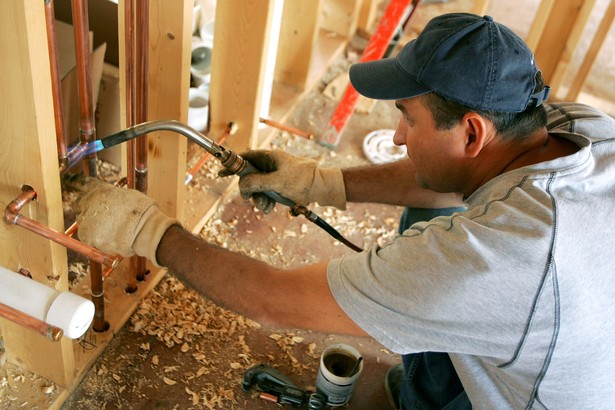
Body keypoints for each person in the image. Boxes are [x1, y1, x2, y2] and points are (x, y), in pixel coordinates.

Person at [73, 13, 615, 409]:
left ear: (472, 131)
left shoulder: (493, 260)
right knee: (426, 216)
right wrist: (319, 182)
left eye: (408, 119)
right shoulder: (573, 127)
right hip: (572, 341)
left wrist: (147, 230)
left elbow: (272, 300)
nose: (398, 137)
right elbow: (450, 180)